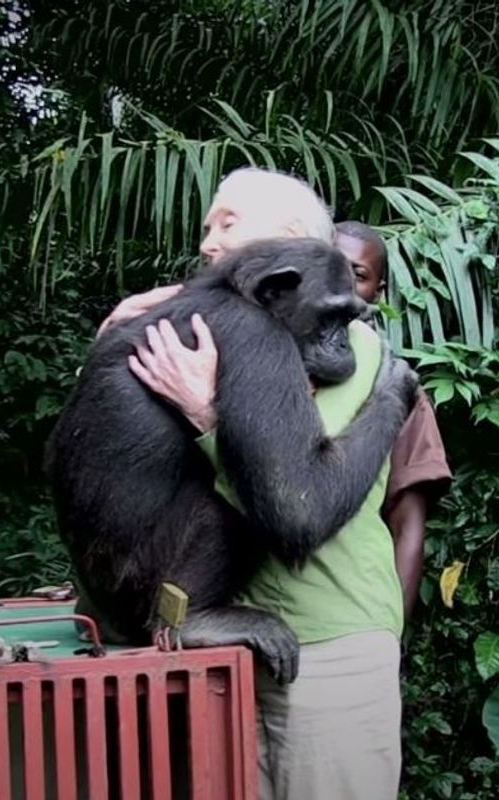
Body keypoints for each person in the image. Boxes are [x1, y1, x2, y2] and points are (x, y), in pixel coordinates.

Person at [100, 167, 431, 799]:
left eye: (228, 223)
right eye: (206, 226)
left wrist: (208, 415)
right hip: (237, 641)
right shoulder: (233, 327)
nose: (207, 241)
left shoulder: (349, 347)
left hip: (329, 638)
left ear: (285, 240)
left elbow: (297, 505)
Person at [333, 220, 451, 621]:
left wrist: (391, 637)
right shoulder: (271, 366)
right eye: (332, 264)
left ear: (377, 291)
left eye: (359, 274)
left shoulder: (398, 387)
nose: (343, 282)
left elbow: (408, 526)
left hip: (356, 614)